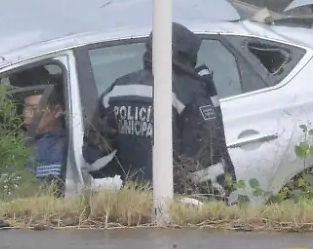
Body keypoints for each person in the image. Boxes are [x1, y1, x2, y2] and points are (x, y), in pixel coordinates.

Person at [85, 22, 237, 198]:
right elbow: (205, 161)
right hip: (178, 205)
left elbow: (94, 158)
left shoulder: (118, 89)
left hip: (133, 204)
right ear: (185, 54)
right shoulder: (189, 93)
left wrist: (132, 173)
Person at [22, 90, 69, 195]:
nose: (26, 118)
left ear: (57, 111)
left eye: (34, 110)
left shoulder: (68, 146)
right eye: (25, 109)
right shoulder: (24, 144)